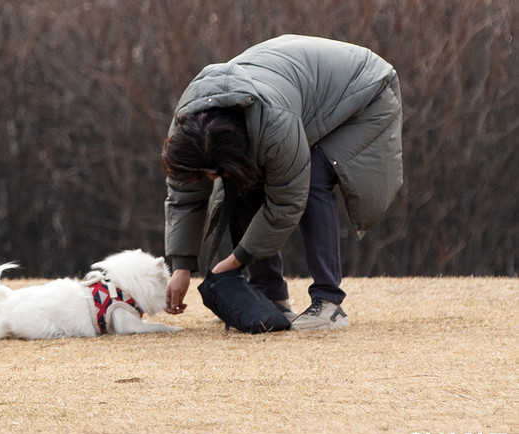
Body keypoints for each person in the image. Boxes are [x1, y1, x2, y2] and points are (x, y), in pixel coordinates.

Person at [161, 35, 403, 330]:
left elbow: (288, 201)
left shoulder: (274, 124)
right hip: (297, 86)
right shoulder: (187, 128)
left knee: (313, 177)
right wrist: (181, 266)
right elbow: (183, 196)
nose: (208, 181)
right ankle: (270, 294)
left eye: (210, 174)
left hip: (364, 90)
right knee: (242, 184)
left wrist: (236, 260)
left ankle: (328, 303)